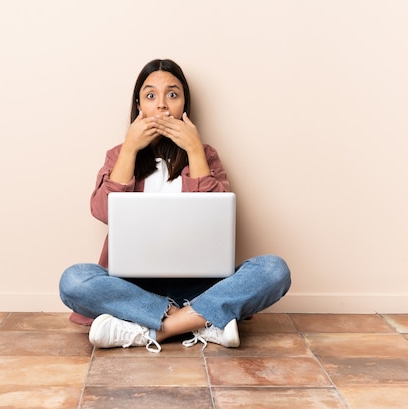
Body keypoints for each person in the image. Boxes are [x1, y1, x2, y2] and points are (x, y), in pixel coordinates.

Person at [59, 58, 291, 353]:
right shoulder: (118, 155)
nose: (162, 106)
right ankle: (202, 321)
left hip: (201, 285)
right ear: (139, 105)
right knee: (74, 280)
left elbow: (215, 220)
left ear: (185, 104)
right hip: (132, 287)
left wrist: (194, 149)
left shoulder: (206, 155)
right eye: (151, 95)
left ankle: (150, 329)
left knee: (273, 269)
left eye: (172, 94)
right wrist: (130, 148)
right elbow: (104, 212)